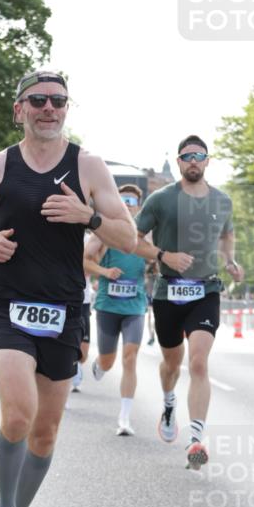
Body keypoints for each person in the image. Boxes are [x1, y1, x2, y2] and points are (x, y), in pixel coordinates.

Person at [0, 69, 136, 507]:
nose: (49, 108)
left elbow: (128, 236)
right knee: (17, 414)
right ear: (20, 109)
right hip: (9, 306)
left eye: (58, 100)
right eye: (38, 100)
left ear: (67, 108)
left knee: (46, 431)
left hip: (64, 310)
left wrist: (89, 218)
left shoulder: (89, 166)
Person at [135, 135, 244, 469]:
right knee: (171, 363)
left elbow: (227, 234)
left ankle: (196, 438)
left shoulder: (222, 201)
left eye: (199, 155)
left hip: (206, 291)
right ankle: (169, 403)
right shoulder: (160, 200)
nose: (193, 161)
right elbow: (132, 240)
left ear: (207, 161)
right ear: (179, 162)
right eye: (186, 157)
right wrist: (163, 255)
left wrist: (229, 261)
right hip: (169, 291)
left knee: (198, 363)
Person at [85, 184, 150, 435]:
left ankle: (124, 418)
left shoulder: (147, 236)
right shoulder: (103, 232)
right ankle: (100, 365)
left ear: (139, 206)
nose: (129, 204)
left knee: (130, 357)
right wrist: (104, 272)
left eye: (133, 201)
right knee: (109, 361)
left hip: (135, 305)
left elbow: (157, 256)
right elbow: (84, 261)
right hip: (108, 306)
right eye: (124, 200)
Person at [70, 235, 93, 394]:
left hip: (83, 301)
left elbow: (92, 264)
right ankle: (66, 374)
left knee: (83, 354)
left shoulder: (90, 239)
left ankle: (75, 365)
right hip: (64, 300)